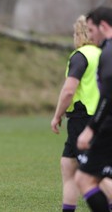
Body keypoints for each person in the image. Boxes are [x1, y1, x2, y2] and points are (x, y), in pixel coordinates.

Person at [50, 15, 102, 212]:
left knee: (93, 174)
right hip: (100, 117)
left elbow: (69, 90)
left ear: (80, 32)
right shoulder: (102, 53)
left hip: (82, 117)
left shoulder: (80, 56)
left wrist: (57, 115)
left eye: (74, 33)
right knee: (68, 165)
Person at [74, 6, 112, 212]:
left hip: (107, 128)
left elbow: (108, 96)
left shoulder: (108, 52)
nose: (89, 35)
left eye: (91, 29)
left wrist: (91, 128)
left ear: (103, 26)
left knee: (84, 178)